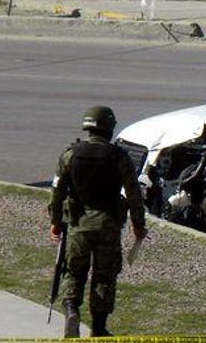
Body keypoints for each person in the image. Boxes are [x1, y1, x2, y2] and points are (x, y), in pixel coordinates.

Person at [49, 106, 147, 338]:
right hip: (108, 225)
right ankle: (99, 327)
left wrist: (55, 222)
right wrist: (138, 225)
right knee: (104, 276)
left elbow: (57, 192)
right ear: (109, 127)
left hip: (78, 225)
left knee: (73, 272)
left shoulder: (70, 154)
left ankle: (72, 310)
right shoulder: (119, 156)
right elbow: (134, 193)